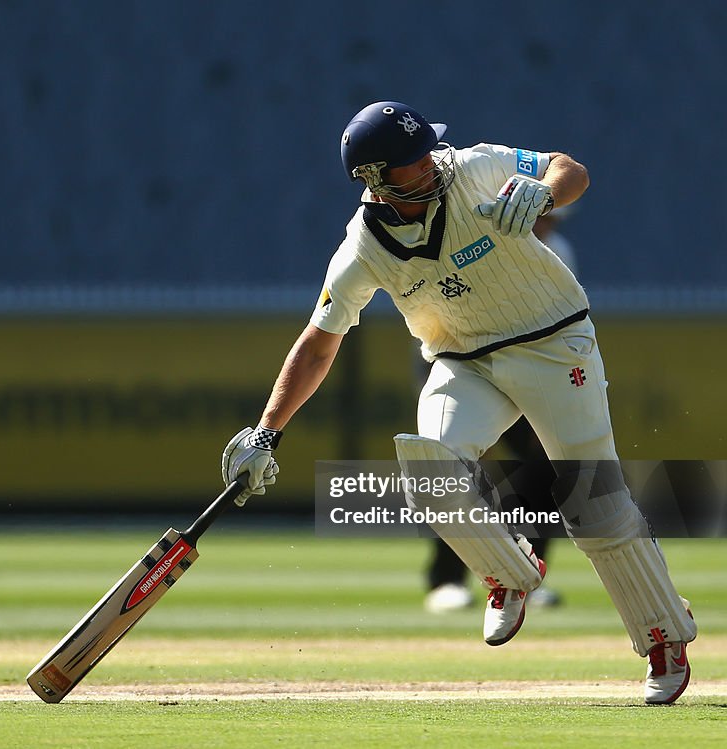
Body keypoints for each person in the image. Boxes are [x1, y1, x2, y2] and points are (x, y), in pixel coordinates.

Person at [220, 101, 696, 704]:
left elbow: (571, 169)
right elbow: (318, 343)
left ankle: (663, 637)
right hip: (464, 360)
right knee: (429, 463)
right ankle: (508, 574)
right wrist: (267, 431)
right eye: (410, 166)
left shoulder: (475, 166)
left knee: (591, 501)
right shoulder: (363, 249)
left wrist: (545, 192)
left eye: (426, 153)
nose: (429, 167)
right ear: (374, 180)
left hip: (554, 347)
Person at [423, 208, 577, 613]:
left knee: (545, 469)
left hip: (527, 371)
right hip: (461, 365)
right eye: (539, 218)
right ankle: (446, 580)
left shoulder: (557, 251)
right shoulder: (474, 243)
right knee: (454, 465)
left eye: (551, 221)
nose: (543, 228)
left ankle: (529, 573)